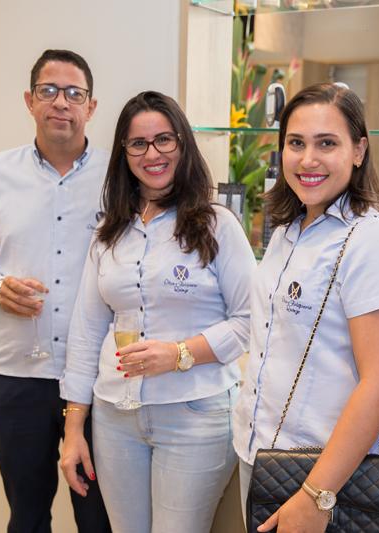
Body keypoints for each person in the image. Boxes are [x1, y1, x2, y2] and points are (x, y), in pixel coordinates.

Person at [59, 90, 255, 533]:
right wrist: (74, 431)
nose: (153, 154)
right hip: (115, 416)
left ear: (183, 145)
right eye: (138, 143)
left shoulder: (217, 224)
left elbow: (250, 322)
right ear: (124, 154)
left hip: (196, 416)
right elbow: (87, 332)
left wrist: (180, 354)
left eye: (164, 140)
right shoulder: (109, 233)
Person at [232, 83, 379, 533]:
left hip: (321, 474)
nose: (308, 159)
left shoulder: (369, 239)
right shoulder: (289, 230)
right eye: (296, 143)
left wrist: (317, 494)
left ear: (358, 150)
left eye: (326, 143)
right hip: (258, 454)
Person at [0, 49, 111, 533]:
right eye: (49, 91)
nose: (61, 102)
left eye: (73, 93)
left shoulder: (118, 178)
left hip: (98, 382)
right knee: (26, 517)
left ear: (91, 106)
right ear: (30, 100)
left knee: (100, 520)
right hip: (16, 380)